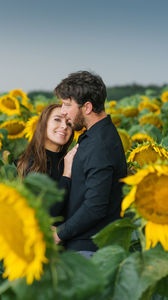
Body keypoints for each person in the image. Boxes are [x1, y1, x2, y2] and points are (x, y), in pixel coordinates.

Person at [52, 71, 127, 258]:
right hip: (83, 245)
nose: (62, 110)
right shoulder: (94, 136)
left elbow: (95, 206)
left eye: (68, 104)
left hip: (89, 250)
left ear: (87, 107)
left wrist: (58, 234)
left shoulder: (100, 145)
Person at [17, 103, 77, 218]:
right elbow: (48, 212)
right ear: (43, 124)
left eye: (69, 123)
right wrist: (66, 175)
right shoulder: (31, 163)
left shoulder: (71, 160)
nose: (64, 126)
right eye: (57, 119)